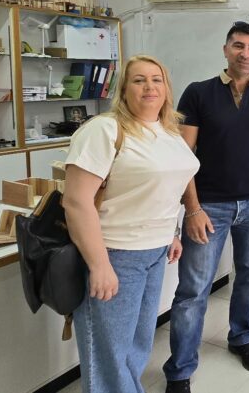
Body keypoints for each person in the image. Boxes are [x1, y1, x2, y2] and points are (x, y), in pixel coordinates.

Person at [164, 22, 249, 391]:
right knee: (193, 290)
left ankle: (242, 336)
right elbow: (184, 155)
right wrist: (192, 209)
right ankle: (180, 369)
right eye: (238, 45)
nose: (245, 53)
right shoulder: (198, 93)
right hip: (210, 207)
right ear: (225, 49)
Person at [62, 55, 199, 393]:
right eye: (139, 80)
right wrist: (99, 265)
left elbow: (167, 190)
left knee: (137, 346)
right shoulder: (104, 130)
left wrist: (172, 233)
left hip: (155, 252)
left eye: (157, 79)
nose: (149, 86)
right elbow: (76, 202)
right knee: (109, 356)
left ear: (167, 88)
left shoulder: (168, 131)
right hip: (116, 253)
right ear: (123, 90)